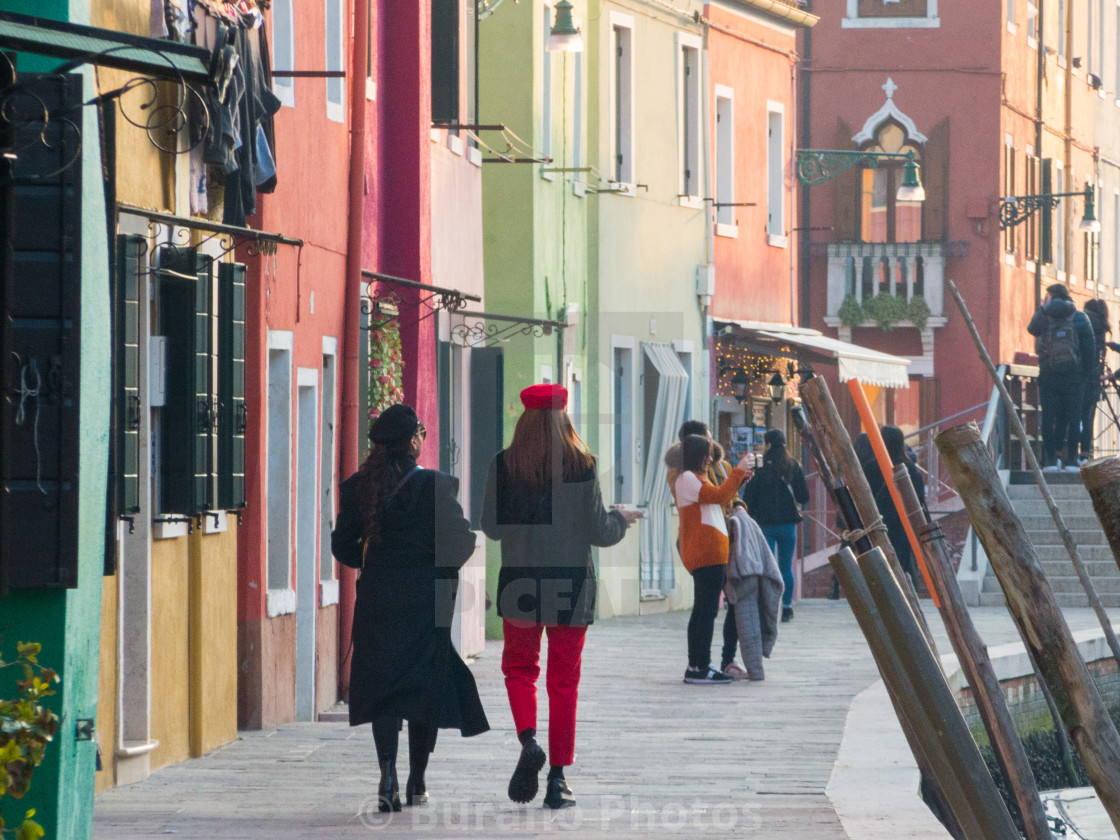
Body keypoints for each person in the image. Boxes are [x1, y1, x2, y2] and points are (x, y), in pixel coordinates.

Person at [481, 384, 641, 810]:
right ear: (564, 417)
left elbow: (492, 529)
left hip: (520, 585)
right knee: (563, 682)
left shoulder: (503, 465)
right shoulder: (583, 466)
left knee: (519, 669)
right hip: (571, 585)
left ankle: (529, 739)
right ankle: (557, 779)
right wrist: (621, 519)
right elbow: (601, 533)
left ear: (524, 419)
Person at [330, 404, 489, 813]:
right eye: (420, 431)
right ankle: (418, 780)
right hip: (427, 601)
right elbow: (462, 542)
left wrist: (376, 560)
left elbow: (342, 546)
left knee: (385, 690)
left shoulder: (357, 488)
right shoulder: (434, 486)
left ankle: (388, 778)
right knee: (424, 687)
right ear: (413, 441)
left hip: (380, 599)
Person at [664, 419, 745, 678]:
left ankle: (699, 665)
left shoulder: (694, 477)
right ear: (696, 456)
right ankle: (699, 666)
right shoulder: (687, 478)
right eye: (707, 456)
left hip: (711, 554)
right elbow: (720, 496)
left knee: (705, 611)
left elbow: (719, 495)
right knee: (705, 612)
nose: (710, 460)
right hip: (705, 555)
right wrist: (739, 472)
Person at [739, 429, 809, 623]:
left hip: (764, 524)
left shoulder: (759, 466)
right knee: (786, 567)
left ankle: (767, 608)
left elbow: (749, 497)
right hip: (788, 524)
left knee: (766, 567)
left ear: (768, 444)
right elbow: (804, 497)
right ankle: (786, 607)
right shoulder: (793, 465)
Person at [1028, 283, 1095, 471]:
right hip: (1074, 377)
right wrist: (1086, 375)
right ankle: (1072, 460)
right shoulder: (1079, 317)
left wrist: (1042, 307)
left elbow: (1031, 329)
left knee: (1049, 418)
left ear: (1051, 297)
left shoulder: (1045, 318)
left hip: (1049, 376)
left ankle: (1051, 460)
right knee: (1074, 418)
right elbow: (1089, 348)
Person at [724, 500, 784, 680]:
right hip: (747, 568)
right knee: (743, 618)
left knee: (737, 615)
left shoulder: (736, 521)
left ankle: (726, 661)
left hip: (739, 567)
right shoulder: (749, 523)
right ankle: (723, 662)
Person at [863, 425, 928, 589]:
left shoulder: (870, 468)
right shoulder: (910, 469)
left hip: (877, 522)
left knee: (880, 565)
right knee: (903, 564)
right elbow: (919, 498)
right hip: (903, 524)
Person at [1081, 298, 1110, 464]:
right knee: (1088, 418)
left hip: (1080, 377)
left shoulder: (1082, 322)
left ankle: (1065, 456)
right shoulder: (1101, 328)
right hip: (1094, 379)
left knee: (1072, 416)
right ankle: (1085, 454)